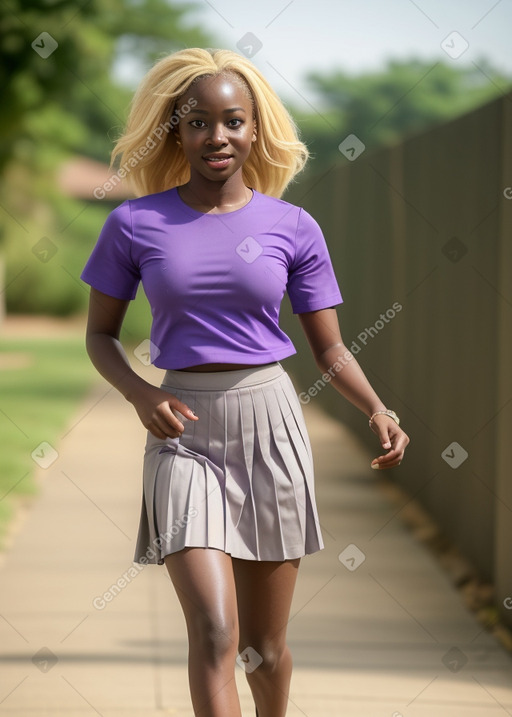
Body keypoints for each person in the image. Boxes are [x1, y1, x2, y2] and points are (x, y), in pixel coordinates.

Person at [81, 47, 410, 717]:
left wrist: (377, 407)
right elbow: (100, 335)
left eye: (232, 120)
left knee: (264, 646)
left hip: (269, 429)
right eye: (197, 122)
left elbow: (331, 349)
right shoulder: (135, 224)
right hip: (182, 437)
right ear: (176, 130)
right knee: (215, 633)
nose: (216, 137)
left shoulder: (293, 227)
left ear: (255, 128)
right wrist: (142, 393)